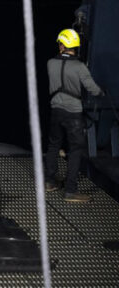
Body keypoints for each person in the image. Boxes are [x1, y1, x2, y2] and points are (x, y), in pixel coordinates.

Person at [45, 28, 102, 203]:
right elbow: (93, 89)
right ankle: (70, 190)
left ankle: (50, 182)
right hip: (73, 114)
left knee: (54, 145)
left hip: (56, 111)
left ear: (62, 44)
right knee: (76, 149)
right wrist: (101, 92)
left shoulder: (50, 63)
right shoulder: (79, 67)